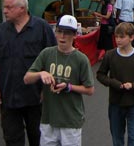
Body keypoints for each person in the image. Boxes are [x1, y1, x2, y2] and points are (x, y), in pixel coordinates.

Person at [0, 0, 57, 146]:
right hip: (8, 97)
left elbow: (52, 60)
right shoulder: (0, 31)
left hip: (35, 98)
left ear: (22, 9)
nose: (5, 11)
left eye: (9, 7)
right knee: (12, 139)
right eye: (4, 7)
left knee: (38, 138)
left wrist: (45, 90)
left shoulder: (41, 28)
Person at [23, 15, 94, 146]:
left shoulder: (81, 59)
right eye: (59, 31)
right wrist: (41, 73)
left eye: (67, 33)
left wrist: (68, 87)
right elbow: (27, 78)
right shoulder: (46, 53)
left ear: (74, 35)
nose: (62, 36)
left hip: (70, 120)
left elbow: (89, 89)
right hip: (48, 119)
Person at [96, 22, 134, 146]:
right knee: (117, 137)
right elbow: (100, 75)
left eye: (122, 37)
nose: (118, 40)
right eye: (116, 37)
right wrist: (113, 83)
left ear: (131, 37)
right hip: (115, 103)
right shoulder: (110, 55)